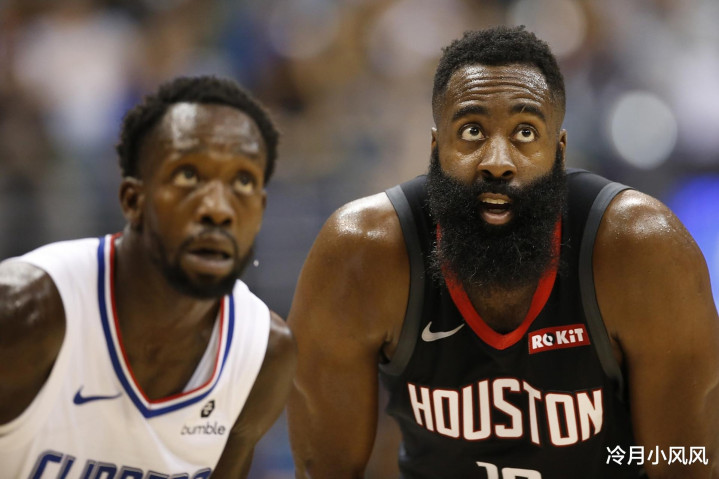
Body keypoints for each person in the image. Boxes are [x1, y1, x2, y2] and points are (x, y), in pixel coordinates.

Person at [286, 26, 719, 478]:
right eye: (472, 131)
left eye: (525, 132)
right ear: (436, 148)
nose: (497, 161)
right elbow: (325, 471)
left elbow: (686, 463)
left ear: (560, 151)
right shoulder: (361, 255)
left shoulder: (643, 250)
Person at [0, 75, 296, 478]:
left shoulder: (263, 354)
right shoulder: (25, 311)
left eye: (242, 181)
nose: (217, 208)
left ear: (260, 210)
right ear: (132, 199)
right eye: (189, 175)